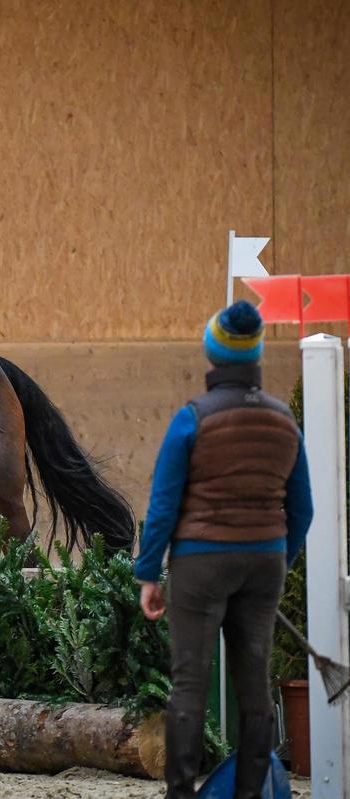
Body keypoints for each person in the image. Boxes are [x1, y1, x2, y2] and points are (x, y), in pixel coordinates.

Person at [134, 300, 313, 799]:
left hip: (201, 561)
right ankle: (250, 794)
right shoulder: (284, 421)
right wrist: (278, 561)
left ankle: (180, 793)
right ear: (255, 354)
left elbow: (164, 503)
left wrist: (148, 572)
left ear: (213, 352)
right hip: (264, 560)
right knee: (254, 685)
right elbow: (303, 509)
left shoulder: (192, 418)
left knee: (190, 682)